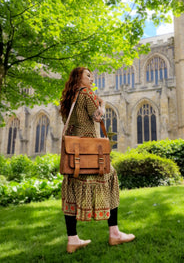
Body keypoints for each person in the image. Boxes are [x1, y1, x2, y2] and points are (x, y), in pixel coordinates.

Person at [59, 67, 135, 253]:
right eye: (88, 75)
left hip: (73, 155)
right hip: (91, 151)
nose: (92, 78)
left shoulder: (70, 99)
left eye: (92, 75)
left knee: (71, 188)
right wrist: (102, 104)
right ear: (79, 78)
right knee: (111, 177)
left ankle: (73, 239)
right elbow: (97, 116)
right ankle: (115, 233)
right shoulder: (86, 94)